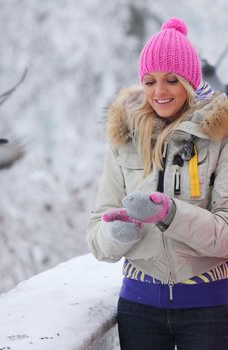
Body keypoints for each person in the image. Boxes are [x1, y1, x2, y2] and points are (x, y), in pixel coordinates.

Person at [87, 18, 228, 349]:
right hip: (139, 308)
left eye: (171, 80)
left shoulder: (219, 136)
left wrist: (170, 213)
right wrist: (119, 233)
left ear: (190, 82)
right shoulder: (124, 139)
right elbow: (97, 236)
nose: (159, 92)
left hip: (208, 307)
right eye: (149, 81)